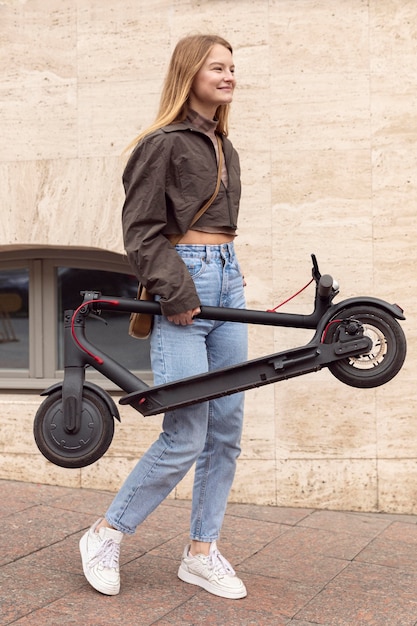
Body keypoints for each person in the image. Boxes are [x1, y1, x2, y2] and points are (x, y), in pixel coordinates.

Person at [79, 33, 248, 600]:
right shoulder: (162, 144)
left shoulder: (226, 146)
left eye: (231, 67)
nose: (228, 76)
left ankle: (201, 552)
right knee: (185, 432)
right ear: (189, 74)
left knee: (225, 431)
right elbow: (141, 231)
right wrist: (175, 289)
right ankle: (106, 532)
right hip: (186, 284)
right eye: (216, 68)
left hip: (228, 282)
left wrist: (222, 276)